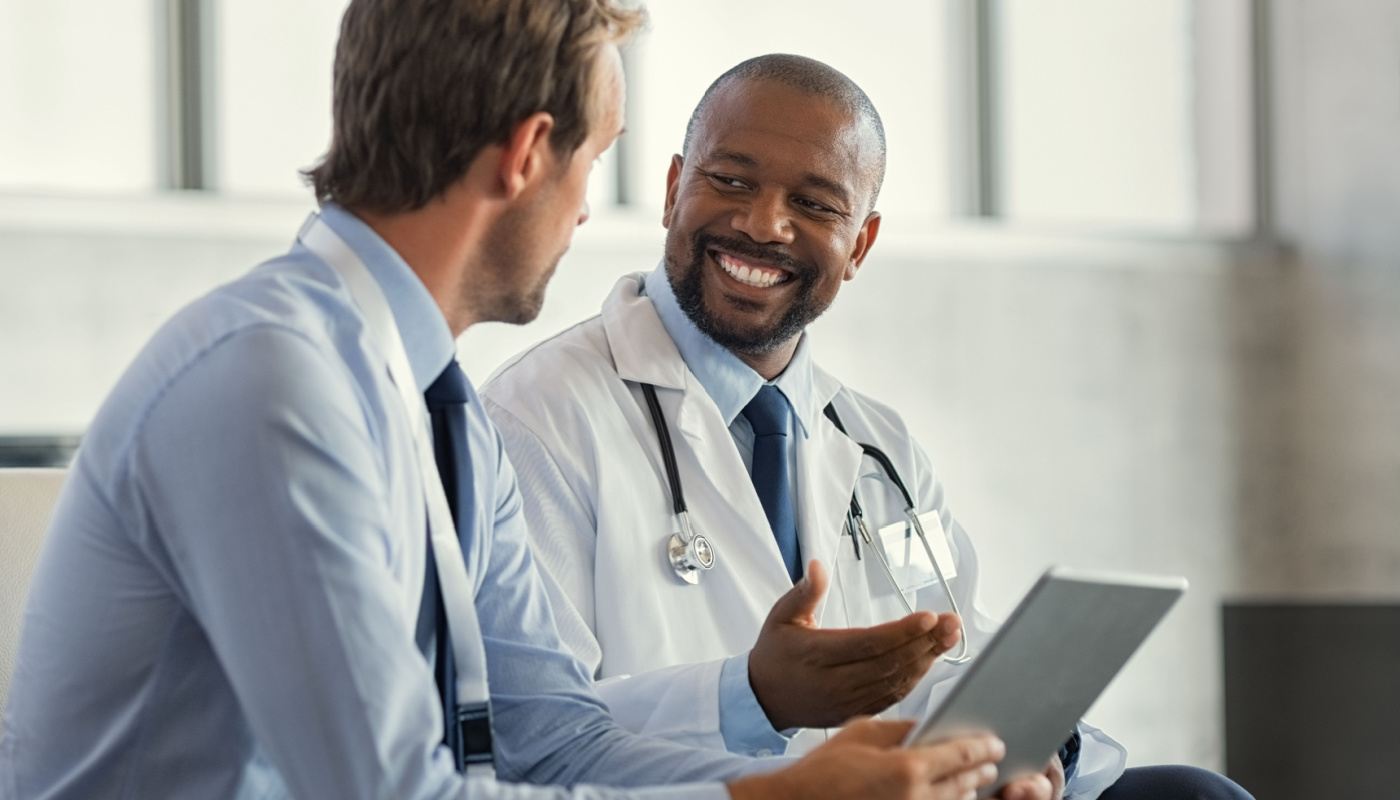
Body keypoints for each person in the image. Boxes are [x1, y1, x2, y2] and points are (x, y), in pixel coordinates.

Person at [0, 6, 1017, 800]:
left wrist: (786, 780)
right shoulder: (274, 385)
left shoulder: (440, 412)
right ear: (529, 152)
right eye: (595, 158)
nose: (585, 207)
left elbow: (548, 737)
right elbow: (387, 790)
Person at [480, 55, 1256, 800]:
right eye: (730, 180)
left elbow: (954, 660)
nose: (764, 224)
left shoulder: (877, 447)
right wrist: (751, 696)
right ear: (675, 187)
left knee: (1196, 794)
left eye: (815, 204)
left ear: (861, 244)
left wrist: (1031, 750)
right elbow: (529, 736)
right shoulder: (539, 418)